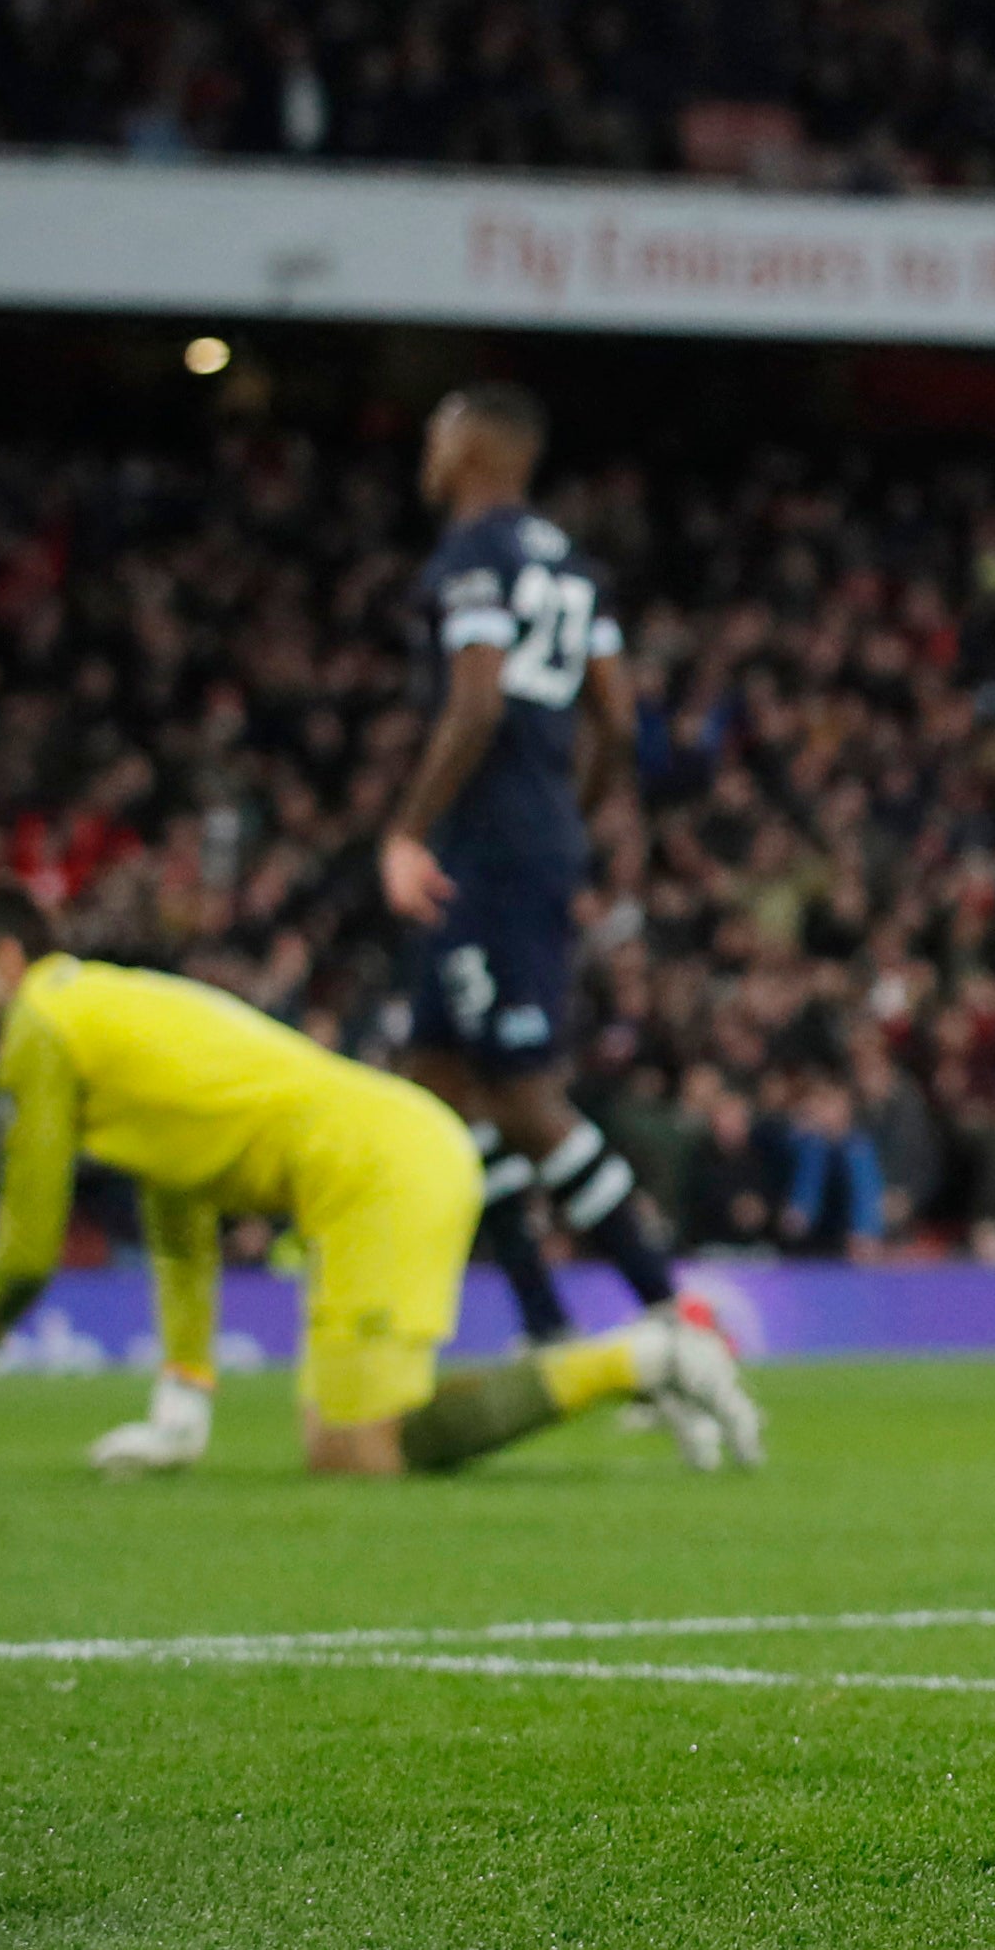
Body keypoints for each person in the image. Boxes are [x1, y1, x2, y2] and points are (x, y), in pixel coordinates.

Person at [0, 883, 755, 1477]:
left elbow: (29, 1234)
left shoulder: (42, 1025)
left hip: (377, 1166)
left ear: (6, 961)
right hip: (384, 1152)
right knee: (343, 1443)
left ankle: (644, 1356)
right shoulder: (104, 1014)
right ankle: (637, 1361)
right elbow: (177, 1203)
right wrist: (183, 1399)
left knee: (358, 1450)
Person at [377, 384, 688, 1343]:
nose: (426, 448)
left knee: (520, 1092)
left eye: (437, 431)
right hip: (525, 837)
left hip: (489, 849)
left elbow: (475, 703)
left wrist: (407, 833)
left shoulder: (475, 555)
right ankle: (547, 1326)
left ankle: (673, 1322)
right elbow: (618, 718)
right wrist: (571, 815)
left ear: (473, 448)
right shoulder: (570, 564)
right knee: (438, 1081)